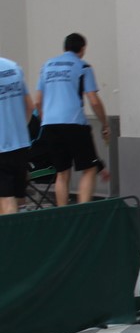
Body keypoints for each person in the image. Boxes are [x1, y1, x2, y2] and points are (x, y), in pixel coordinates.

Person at [34, 33, 110, 206]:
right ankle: (82, 211)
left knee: (62, 172)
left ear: (65, 47)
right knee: (89, 169)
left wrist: (46, 119)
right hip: (74, 124)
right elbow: (94, 101)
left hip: (50, 125)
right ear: (82, 49)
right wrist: (104, 123)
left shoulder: (46, 66)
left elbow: (37, 101)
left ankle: (63, 212)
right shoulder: (83, 66)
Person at [0, 54, 35, 215]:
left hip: (1, 147)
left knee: (5, 198)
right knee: (19, 197)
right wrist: (18, 129)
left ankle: (11, 232)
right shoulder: (14, 67)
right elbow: (30, 106)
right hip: (21, 143)